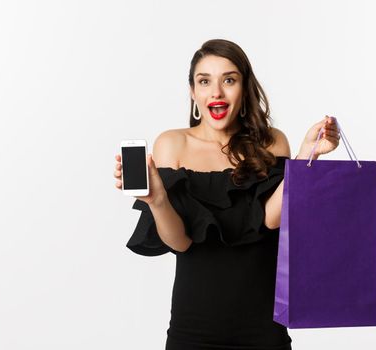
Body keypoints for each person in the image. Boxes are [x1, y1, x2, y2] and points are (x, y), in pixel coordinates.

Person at [113, 39, 340, 350]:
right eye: (204, 81)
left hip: (263, 330)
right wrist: (157, 199)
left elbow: (270, 220)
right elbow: (180, 241)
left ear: (244, 88)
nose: (216, 92)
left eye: (228, 80)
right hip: (193, 331)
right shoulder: (171, 144)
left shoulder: (272, 143)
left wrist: (304, 157)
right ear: (193, 92)